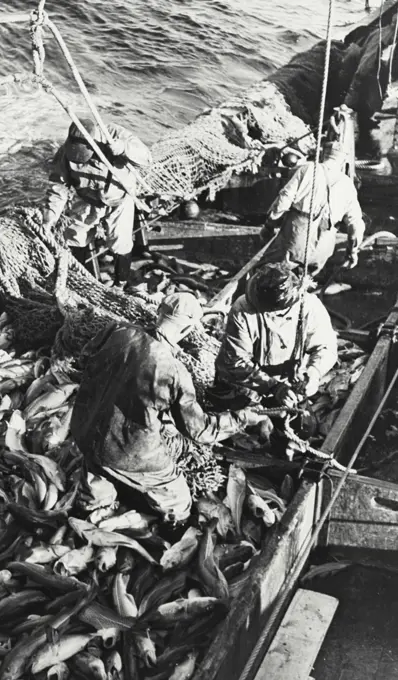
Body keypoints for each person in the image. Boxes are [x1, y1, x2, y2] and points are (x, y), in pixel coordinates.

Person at [69, 292, 271, 528]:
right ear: (186, 330)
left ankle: (93, 503)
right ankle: (171, 528)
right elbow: (200, 430)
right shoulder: (174, 371)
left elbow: (84, 360)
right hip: (130, 452)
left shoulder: (117, 330)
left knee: (97, 470)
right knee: (179, 500)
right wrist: (243, 418)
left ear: (158, 313)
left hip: (84, 429)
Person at [43, 117, 152, 289]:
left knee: (120, 242)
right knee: (75, 237)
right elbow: (59, 187)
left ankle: (119, 284)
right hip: (87, 199)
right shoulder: (65, 152)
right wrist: (50, 218)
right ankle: (79, 279)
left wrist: (124, 148)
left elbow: (146, 158)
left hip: (119, 199)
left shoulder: (115, 134)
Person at [212, 263, 338, 410]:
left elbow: (326, 346)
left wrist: (313, 372)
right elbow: (236, 361)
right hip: (243, 382)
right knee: (242, 421)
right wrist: (274, 387)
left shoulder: (310, 306)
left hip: (289, 383)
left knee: (305, 428)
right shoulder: (242, 310)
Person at [259, 141, 365, 276]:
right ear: (343, 160)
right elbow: (356, 226)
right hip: (322, 250)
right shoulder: (347, 185)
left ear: (322, 155)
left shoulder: (308, 170)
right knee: (304, 284)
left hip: (296, 240)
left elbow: (283, 201)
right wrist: (352, 253)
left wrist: (268, 226)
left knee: (265, 274)